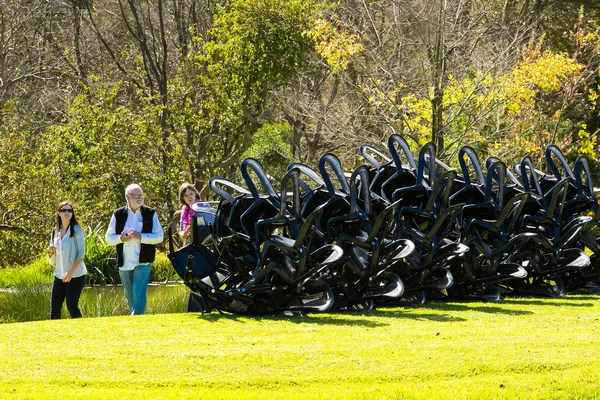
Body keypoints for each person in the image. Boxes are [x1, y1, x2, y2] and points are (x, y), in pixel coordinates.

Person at [105, 184, 164, 315]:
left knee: (139, 292)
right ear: (127, 197)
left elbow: (160, 236)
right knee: (129, 295)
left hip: (144, 260)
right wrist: (121, 238)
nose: (139, 198)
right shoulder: (118, 214)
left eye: (141, 195)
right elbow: (109, 238)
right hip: (125, 261)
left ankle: (136, 317)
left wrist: (141, 236)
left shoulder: (150, 213)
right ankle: (136, 320)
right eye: (135, 195)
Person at [47, 201, 87, 320]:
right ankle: (54, 334)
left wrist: (71, 272)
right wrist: (50, 251)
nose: (67, 213)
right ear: (58, 213)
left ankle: (82, 330)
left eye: (69, 210)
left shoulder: (76, 230)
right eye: (64, 210)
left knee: (71, 305)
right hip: (59, 274)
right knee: (54, 307)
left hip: (76, 274)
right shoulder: (55, 231)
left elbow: (81, 253)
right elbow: (52, 250)